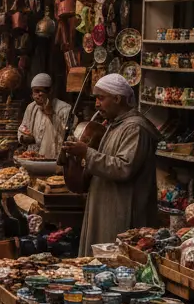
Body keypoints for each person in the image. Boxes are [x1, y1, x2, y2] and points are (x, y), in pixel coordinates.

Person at [62, 73, 159, 252]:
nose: (97, 104)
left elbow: (123, 168)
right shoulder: (115, 125)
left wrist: (86, 153)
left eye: (101, 98)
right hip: (105, 205)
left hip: (121, 209)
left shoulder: (135, 128)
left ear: (117, 98)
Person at [18, 73, 72, 158]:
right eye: (34, 92)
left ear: (50, 91)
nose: (37, 96)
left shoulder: (64, 108)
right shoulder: (31, 107)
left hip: (54, 158)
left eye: (40, 91)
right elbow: (23, 127)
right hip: (33, 157)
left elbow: (67, 134)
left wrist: (49, 113)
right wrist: (24, 138)